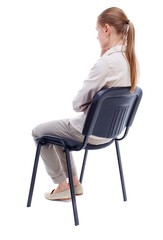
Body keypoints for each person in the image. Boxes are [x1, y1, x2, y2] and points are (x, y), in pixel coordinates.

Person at [32, 7, 139, 200]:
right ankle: (74, 183)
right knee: (57, 131)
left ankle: (62, 184)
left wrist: (101, 63)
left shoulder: (107, 63)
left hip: (88, 133)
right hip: (112, 133)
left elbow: (77, 104)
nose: (97, 37)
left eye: (97, 31)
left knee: (40, 132)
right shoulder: (132, 60)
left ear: (107, 29)